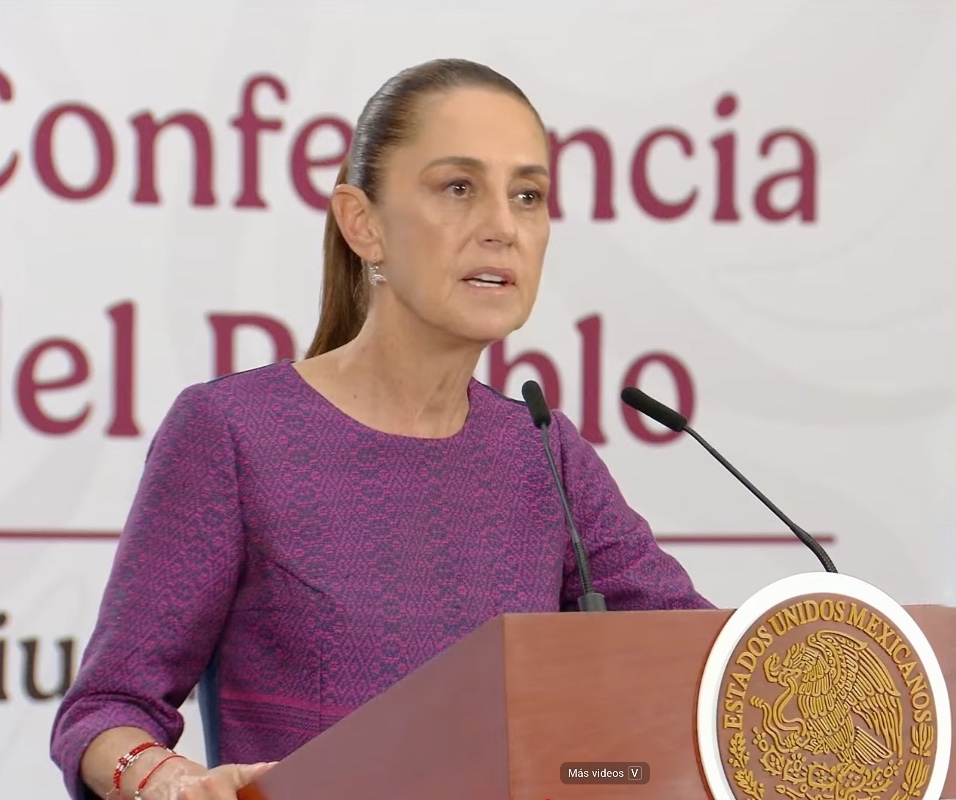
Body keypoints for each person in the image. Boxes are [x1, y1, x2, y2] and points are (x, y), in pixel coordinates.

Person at [50, 57, 714, 800]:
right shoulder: (233, 434)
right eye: (458, 188)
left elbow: (705, 670)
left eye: (527, 195)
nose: (502, 227)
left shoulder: (543, 451)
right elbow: (105, 710)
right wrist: (166, 781)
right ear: (362, 224)